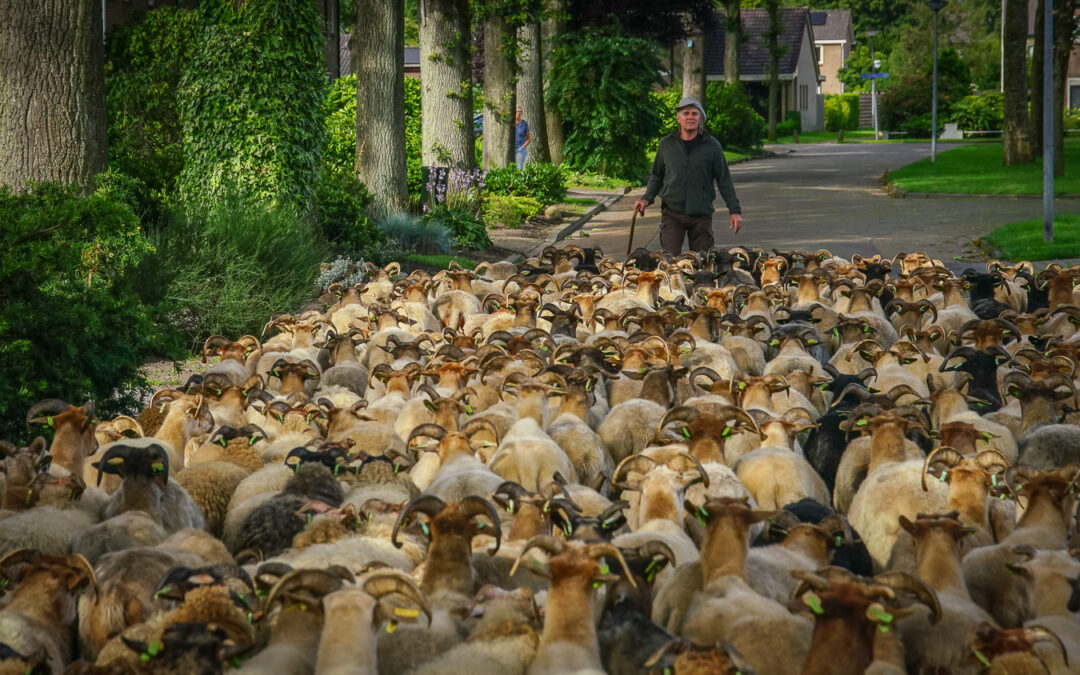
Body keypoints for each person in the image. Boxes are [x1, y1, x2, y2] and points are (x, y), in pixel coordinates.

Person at [633, 97, 743, 256]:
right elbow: (656, 177)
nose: (690, 117)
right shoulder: (666, 145)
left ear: (701, 118)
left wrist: (735, 210)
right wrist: (646, 199)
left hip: (701, 215)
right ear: (678, 118)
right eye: (686, 113)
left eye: (694, 114)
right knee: (669, 262)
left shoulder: (712, 146)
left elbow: (724, 180)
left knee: (703, 264)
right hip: (672, 213)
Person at [515, 106, 530, 170]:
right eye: (517, 111)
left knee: (519, 168)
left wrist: (523, 147)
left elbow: (528, 138)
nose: (518, 113)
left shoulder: (524, 123)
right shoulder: (510, 123)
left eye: (520, 111)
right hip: (510, 150)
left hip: (520, 149)